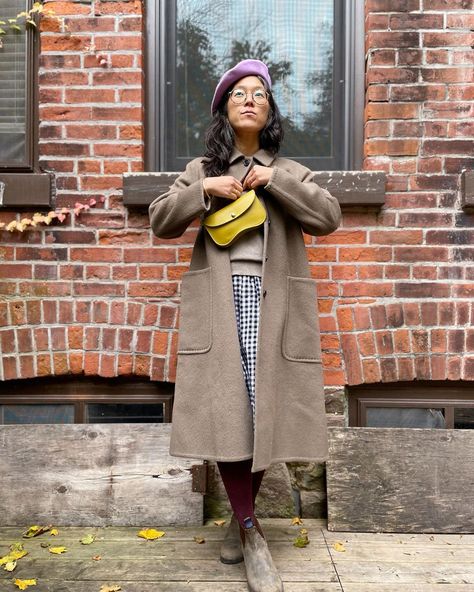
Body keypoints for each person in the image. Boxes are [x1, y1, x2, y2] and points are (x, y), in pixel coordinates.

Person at [149, 59, 341, 592]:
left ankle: (240, 520)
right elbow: (161, 220)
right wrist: (207, 189)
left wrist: (274, 181)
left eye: (260, 93)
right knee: (230, 408)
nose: (250, 100)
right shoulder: (201, 169)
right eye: (239, 94)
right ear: (224, 110)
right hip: (220, 300)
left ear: (270, 109)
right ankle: (253, 532)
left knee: (262, 409)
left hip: (274, 302)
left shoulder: (290, 171)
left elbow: (328, 217)